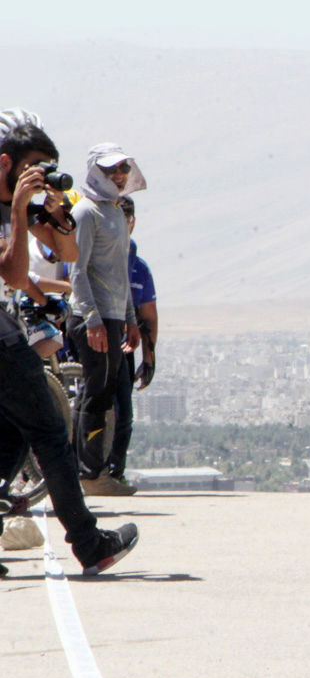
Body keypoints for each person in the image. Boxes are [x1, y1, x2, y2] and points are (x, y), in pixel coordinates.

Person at [0, 109, 137, 577]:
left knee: (17, 428)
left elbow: (70, 254)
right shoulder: (9, 205)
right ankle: (89, 542)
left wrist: (56, 216)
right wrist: (18, 209)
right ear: (5, 164)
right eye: (31, 166)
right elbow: (15, 272)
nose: (37, 177)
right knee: (51, 433)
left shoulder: (31, 205)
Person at [68, 143, 147, 496]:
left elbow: (118, 273)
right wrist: (93, 319)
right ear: (95, 172)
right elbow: (77, 270)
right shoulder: (86, 212)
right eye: (110, 170)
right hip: (92, 317)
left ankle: (94, 470)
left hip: (114, 316)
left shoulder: (114, 212)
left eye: (122, 170)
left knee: (106, 392)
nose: (117, 176)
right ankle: (88, 473)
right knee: (95, 394)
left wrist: (130, 319)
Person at [106, 196, 158, 491]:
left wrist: (149, 360)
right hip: (94, 340)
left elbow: (149, 315)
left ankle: (115, 471)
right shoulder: (96, 255)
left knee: (124, 411)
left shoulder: (139, 268)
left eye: (126, 219)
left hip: (126, 346)